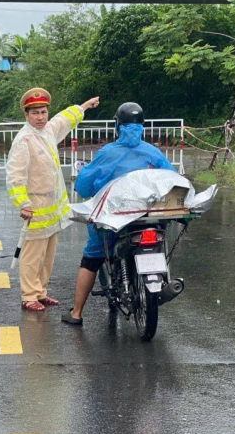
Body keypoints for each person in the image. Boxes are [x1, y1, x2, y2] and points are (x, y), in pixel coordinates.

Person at [61, 102, 177, 325]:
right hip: (149, 218)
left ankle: (76, 313)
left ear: (117, 125)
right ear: (142, 126)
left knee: (92, 258)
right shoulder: (153, 152)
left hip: (113, 219)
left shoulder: (107, 153)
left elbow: (84, 186)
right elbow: (171, 180)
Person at [5, 88, 100, 311]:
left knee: (48, 255)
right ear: (26, 115)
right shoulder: (24, 140)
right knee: (32, 254)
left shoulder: (47, 130)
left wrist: (84, 106)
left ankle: (40, 292)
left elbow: (63, 120)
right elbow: (15, 176)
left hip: (52, 208)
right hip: (35, 207)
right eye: (35, 113)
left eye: (43, 112)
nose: (40, 117)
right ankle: (29, 295)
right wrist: (23, 204)